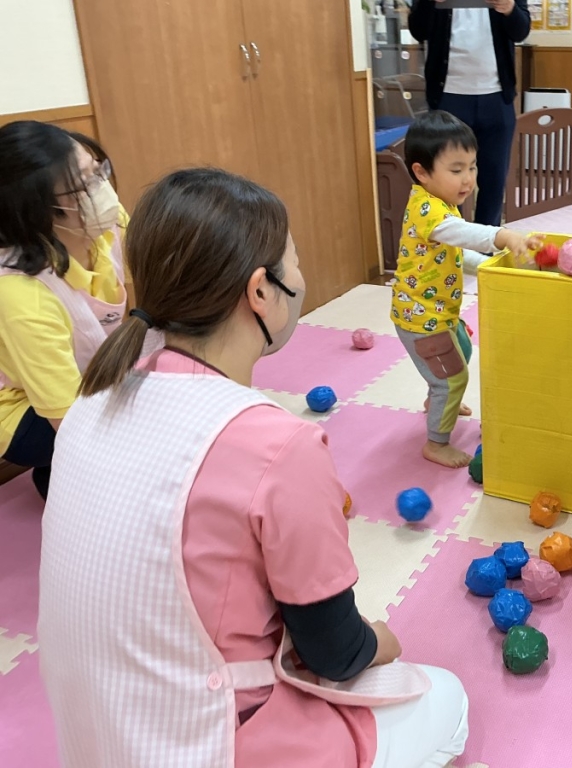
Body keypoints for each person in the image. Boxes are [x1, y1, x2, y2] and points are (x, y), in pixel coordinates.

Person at [38, 168, 469, 768]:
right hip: (209, 742)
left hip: (95, 735)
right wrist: (379, 642)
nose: (302, 276)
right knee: (448, 698)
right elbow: (334, 651)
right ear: (260, 292)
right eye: (293, 263)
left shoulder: (94, 397)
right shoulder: (277, 444)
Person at [394, 110, 540, 468]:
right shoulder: (429, 210)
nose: (468, 179)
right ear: (422, 172)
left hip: (440, 314)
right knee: (452, 377)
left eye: (472, 167)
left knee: (460, 349)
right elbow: (464, 235)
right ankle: (436, 442)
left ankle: (438, 399)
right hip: (421, 320)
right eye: (456, 170)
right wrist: (501, 236)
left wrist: (491, 267)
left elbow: (455, 256)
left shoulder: (444, 205)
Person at [0, 121, 128, 499]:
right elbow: (68, 419)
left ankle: (59, 475)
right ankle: (60, 475)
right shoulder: (23, 295)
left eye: (98, 171)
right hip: (26, 411)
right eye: (85, 184)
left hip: (87, 377)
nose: (102, 190)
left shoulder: (100, 224)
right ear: (41, 210)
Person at [408, 0, 531, 229]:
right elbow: (418, 30)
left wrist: (510, 9)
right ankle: (450, 245)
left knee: (494, 181)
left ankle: (484, 251)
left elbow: (521, 30)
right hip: (448, 95)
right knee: (446, 179)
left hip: (497, 97)